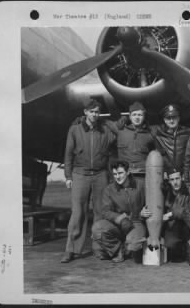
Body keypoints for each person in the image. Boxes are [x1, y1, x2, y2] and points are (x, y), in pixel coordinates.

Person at [61, 99, 116, 263]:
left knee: (101, 212)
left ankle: (99, 248)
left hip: (100, 175)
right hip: (80, 174)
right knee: (78, 213)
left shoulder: (105, 130)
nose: (94, 114)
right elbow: (68, 154)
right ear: (85, 112)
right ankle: (71, 249)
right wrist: (68, 176)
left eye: (97, 112)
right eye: (91, 111)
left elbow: (118, 132)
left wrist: (109, 121)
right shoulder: (75, 129)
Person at [91, 160, 147, 263]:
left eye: (120, 173)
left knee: (133, 245)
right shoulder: (109, 189)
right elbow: (106, 211)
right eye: (115, 174)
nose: (118, 177)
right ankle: (118, 249)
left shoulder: (140, 185)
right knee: (97, 230)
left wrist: (143, 212)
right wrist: (120, 218)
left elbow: (149, 202)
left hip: (136, 222)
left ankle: (126, 247)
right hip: (119, 224)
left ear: (128, 172)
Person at [115, 102, 155, 183]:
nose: (137, 117)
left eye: (140, 115)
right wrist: (121, 119)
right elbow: (104, 124)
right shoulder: (120, 130)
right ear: (130, 116)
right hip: (125, 175)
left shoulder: (150, 134)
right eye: (134, 115)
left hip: (143, 174)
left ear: (144, 117)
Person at [162, 169, 190, 262]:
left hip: (187, 225)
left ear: (182, 178)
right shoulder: (165, 193)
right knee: (170, 244)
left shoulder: (189, 191)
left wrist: (171, 213)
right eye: (172, 180)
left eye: (177, 178)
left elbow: (189, 210)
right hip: (172, 226)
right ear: (169, 181)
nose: (175, 182)